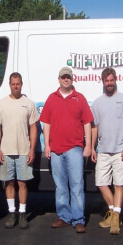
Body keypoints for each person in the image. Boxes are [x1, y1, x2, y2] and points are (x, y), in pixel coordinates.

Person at [39, 67, 93, 234]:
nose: (66, 79)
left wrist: (89, 145)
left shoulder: (80, 98)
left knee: (77, 185)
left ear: (72, 79)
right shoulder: (51, 98)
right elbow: (46, 123)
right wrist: (46, 145)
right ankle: (64, 217)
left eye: (68, 77)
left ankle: (78, 220)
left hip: (75, 149)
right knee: (61, 186)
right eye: (63, 77)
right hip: (55, 150)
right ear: (59, 79)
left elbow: (87, 123)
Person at [91, 67, 123, 235]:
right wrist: (93, 146)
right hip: (103, 150)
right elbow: (94, 127)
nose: (109, 83)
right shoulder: (97, 103)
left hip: (120, 151)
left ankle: (115, 218)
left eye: (111, 80)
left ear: (115, 80)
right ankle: (115, 212)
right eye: (106, 81)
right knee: (101, 183)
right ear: (103, 82)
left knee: (119, 184)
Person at [0, 72, 38, 229]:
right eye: (13, 84)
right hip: (6, 151)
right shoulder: (2, 104)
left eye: (18, 83)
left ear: (21, 84)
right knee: (9, 183)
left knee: (23, 183)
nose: (16, 86)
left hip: (24, 151)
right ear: (10, 85)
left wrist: (32, 149)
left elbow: (33, 128)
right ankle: (12, 214)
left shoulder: (28, 103)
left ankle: (22, 214)